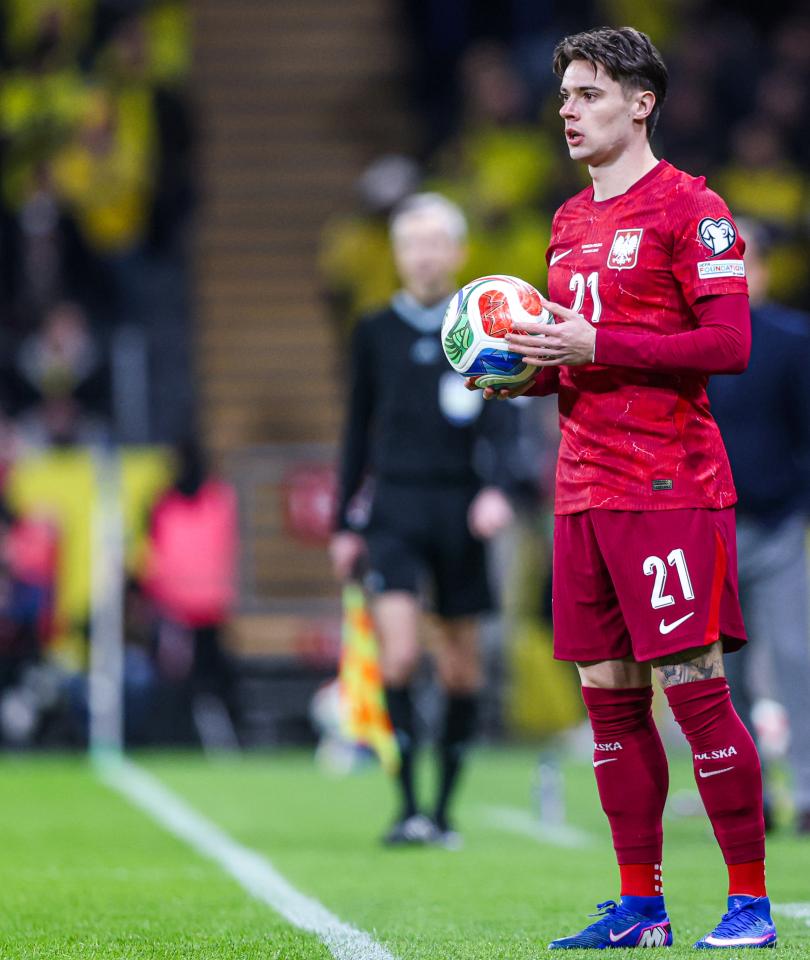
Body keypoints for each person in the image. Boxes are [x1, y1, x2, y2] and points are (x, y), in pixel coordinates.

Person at [479, 27, 776, 950]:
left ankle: (751, 904)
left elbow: (729, 345)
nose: (567, 111)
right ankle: (640, 908)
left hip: (668, 487)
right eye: (565, 95)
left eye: (589, 94)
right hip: (580, 491)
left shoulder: (695, 208)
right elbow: (576, 361)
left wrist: (594, 343)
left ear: (642, 104)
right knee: (609, 705)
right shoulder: (568, 221)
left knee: (693, 692)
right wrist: (521, 372)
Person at [330, 192, 518, 848]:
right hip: (395, 508)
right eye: (412, 243)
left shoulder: (485, 325)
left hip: (462, 507)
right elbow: (356, 428)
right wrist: (344, 523)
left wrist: (498, 490)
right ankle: (408, 807)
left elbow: (505, 414)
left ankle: (444, 810)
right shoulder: (374, 330)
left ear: (458, 252)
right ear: (397, 254)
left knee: (462, 668)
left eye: (436, 242)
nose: (424, 255)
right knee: (402, 655)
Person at [709, 220, 810, 835]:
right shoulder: (690, 341)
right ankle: (749, 795)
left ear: (765, 269)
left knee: (797, 655)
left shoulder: (792, 340)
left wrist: (795, 504)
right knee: (727, 672)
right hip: (707, 532)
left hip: (775, 528)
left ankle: (807, 788)